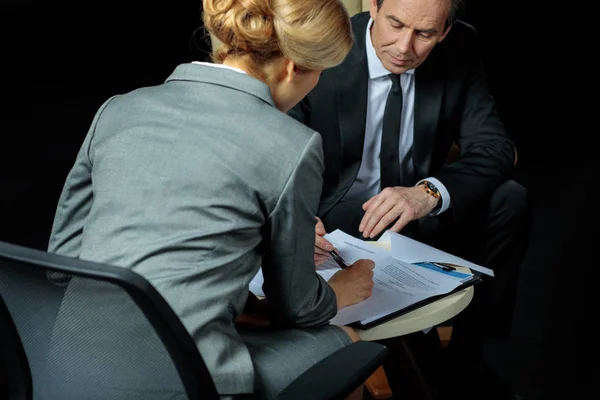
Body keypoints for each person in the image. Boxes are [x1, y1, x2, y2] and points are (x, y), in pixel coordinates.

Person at [46, 0, 376, 399]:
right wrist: (341, 289)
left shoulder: (118, 109)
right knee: (350, 343)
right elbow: (298, 308)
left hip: (64, 367)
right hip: (185, 380)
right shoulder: (293, 144)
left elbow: (60, 265)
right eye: (322, 73)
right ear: (294, 66)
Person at [288, 0, 531, 395]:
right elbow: (280, 145)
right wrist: (295, 216)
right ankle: (426, 384)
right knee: (368, 225)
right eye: (395, 24)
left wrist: (429, 193)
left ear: (446, 32)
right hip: (339, 209)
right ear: (374, 6)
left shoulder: (460, 47)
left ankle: (472, 360)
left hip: (417, 206)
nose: (404, 47)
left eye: (425, 34)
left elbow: (494, 147)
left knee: (511, 199)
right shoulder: (326, 45)